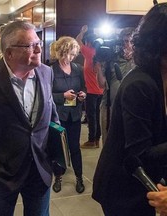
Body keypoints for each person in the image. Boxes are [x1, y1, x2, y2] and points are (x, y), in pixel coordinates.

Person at [0, 21, 59, 216]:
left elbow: (52, 115)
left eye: (38, 43)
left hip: (39, 168)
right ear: (9, 53)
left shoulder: (46, 72)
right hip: (1, 173)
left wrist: (55, 157)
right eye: (31, 45)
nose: (40, 49)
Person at [92, 3, 167, 215]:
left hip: (150, 180)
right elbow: (140, 153)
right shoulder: (140, 84)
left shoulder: (162, 76)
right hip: (124, 188)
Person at [51, 36, 86, 194]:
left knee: (75, 147)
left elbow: (84, 88)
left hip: (75, 114)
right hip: (59, 115)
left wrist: (82, 95)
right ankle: (58, 176)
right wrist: (62, 96)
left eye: (73, 55)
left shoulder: (78, 68)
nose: (70, 58)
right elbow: (46, 95)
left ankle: (79, 177)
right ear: (61, 52)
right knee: (58, 148)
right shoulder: (51, 70)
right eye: (68, 54)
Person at [95, 27, 135, 145]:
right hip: (109, 106)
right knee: (109, 143)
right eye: (124, 41)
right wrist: (98, 66)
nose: (126, 45)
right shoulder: (112, 58)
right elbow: (101, 84)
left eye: (130, 41)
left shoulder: (140, 60)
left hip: (131, 107)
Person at [76, 25, 103, 148]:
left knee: (91, 117)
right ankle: (97, 140)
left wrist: (82, 31)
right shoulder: (99, 54)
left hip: (91, 91)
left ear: (89, 42)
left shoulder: (88, 52)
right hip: (101, 91)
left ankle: (91, 140)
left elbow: (77, 40)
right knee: (97, 116)